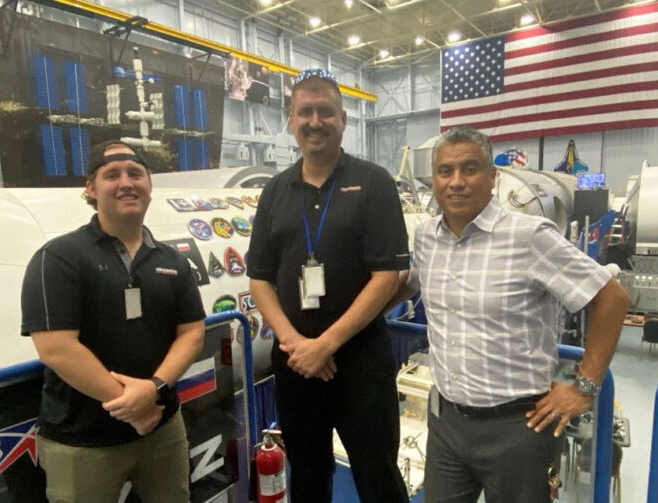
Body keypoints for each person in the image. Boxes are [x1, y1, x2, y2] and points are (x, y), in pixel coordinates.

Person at [388, 126, 630, 503]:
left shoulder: (529, 236)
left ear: (492, 176)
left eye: (469, 169)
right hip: (447, 424)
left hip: (519, 427)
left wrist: (585, 387)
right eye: (445, 171)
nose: (456, 182)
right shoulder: (427, 237)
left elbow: (611, 299)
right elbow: (411, 284)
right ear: (433, 179)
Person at [247, 68, 411, 503]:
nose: (314, 121)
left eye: (325, 111)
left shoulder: (374, 183)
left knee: (378, 476)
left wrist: (328, 343)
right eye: (305, 112)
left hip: (360, 364)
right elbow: (259, 277)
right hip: (296, 364)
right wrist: (296, 342)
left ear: (342, 120)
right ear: (291, 121)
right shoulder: (275, 191)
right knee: (308, 477)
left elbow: (386, 276)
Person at [20, 139, 206, 502]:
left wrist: (152, 388)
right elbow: (56, 348)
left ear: (150, 186)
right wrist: (132, 406)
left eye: (136, 173)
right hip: (84, 443)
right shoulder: (58, 258)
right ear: (90, 188)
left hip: (163, 429)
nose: (126, 183)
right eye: (112, 175)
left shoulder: (172, 260)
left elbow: (192, 334)